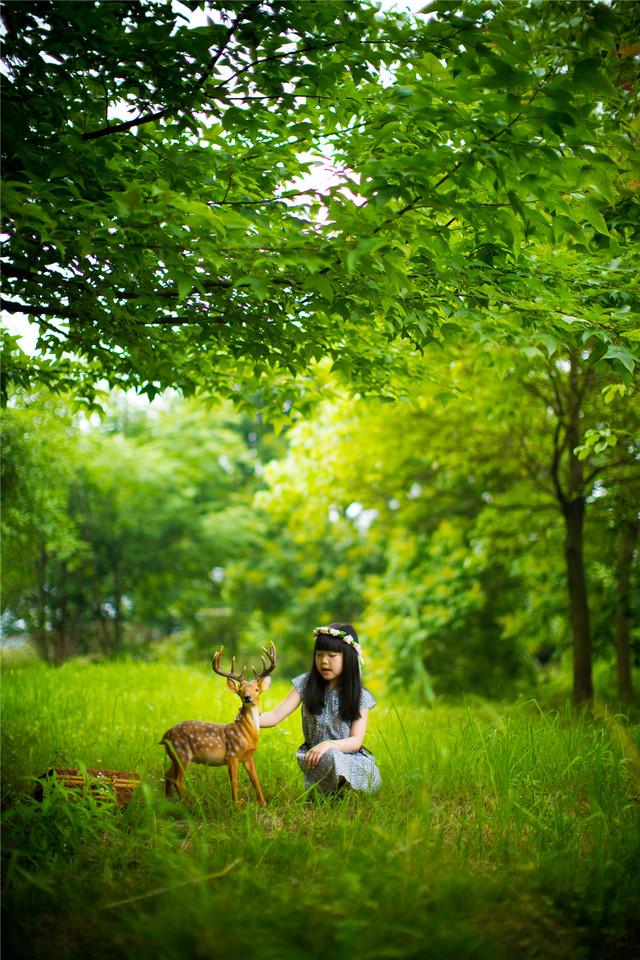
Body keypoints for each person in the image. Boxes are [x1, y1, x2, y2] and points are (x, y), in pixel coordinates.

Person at [259, 623, 381, 796]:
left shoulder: (359, 696)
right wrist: (249, 718)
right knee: (326, 759)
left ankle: (345, 792)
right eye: (319, 655)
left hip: (349, 758)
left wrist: (329, 744)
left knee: (331, 755)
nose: (324, 661)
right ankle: (327, 791)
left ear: (349, 658)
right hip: (314, 757)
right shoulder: (306, 684)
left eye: (332, 656)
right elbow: (274, 715)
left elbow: (355, 741)